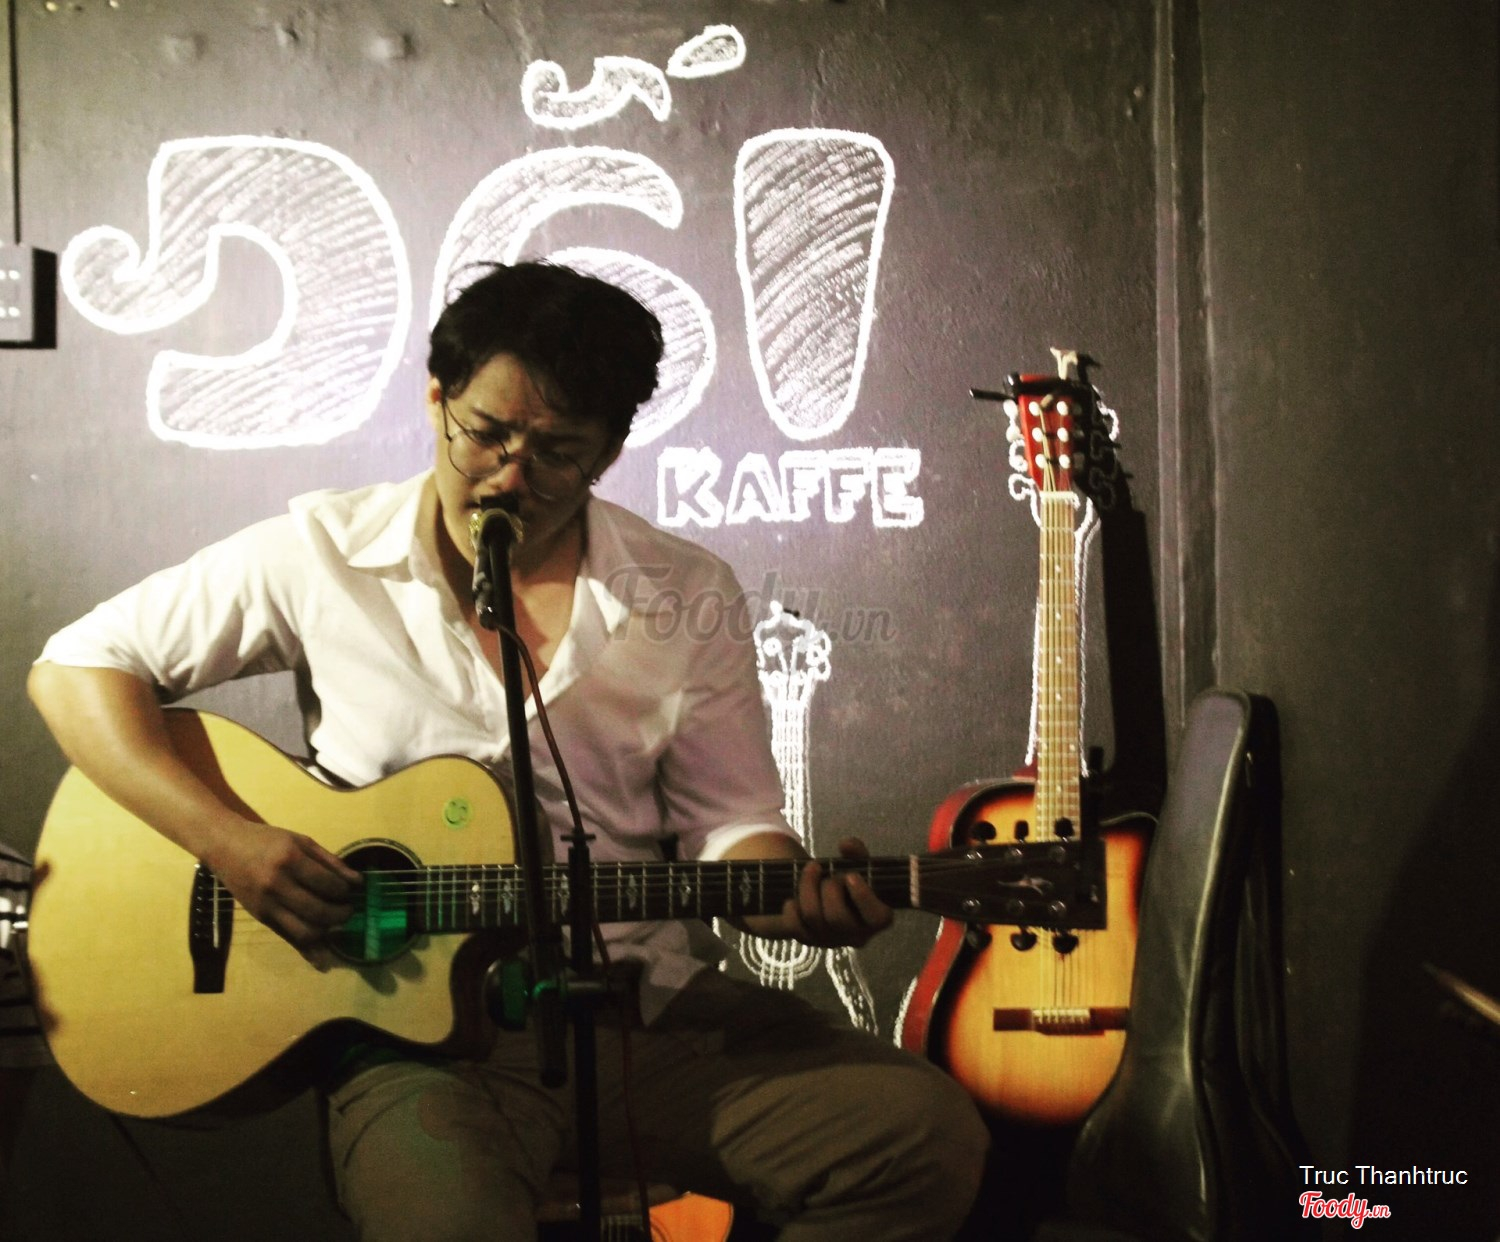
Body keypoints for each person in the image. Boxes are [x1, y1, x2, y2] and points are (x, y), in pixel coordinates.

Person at [28, 261, 987, 1241]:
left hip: (641, 1016)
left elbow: (732, 825)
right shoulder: (322, 552)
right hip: (416, 1046)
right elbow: (75, 670)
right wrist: (228, 842)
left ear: (610, 451)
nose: (511, 476)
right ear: (436, 398)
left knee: (918, 1138)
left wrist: (796, 897)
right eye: (485, 433)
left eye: (559, 451)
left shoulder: (684, 590)